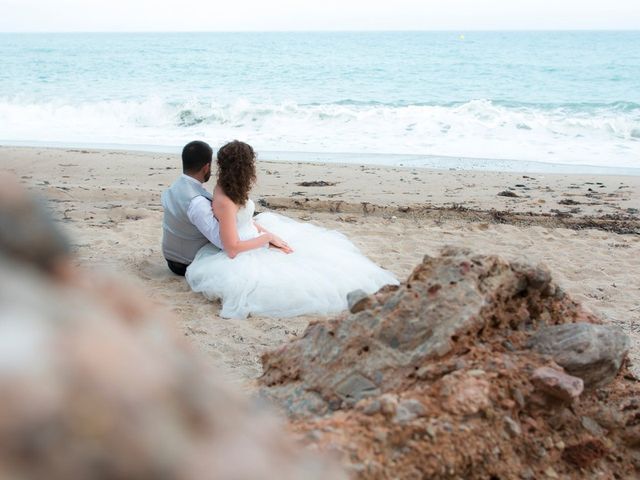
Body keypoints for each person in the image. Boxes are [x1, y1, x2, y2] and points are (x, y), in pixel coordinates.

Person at [185, 140, 398, 319]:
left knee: (314, 257)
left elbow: (245, 219)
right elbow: (232, 249)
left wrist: (270, 236)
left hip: (254, 236)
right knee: (299, 281)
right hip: (242, 253)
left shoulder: (232, 184)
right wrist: (265, 237)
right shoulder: (223, 199)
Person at [161, 141, 223, 276]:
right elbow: (221, 241)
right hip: (188, 264)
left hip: (170, 258)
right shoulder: (197, 202)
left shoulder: (173, 188)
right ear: (206, 167)